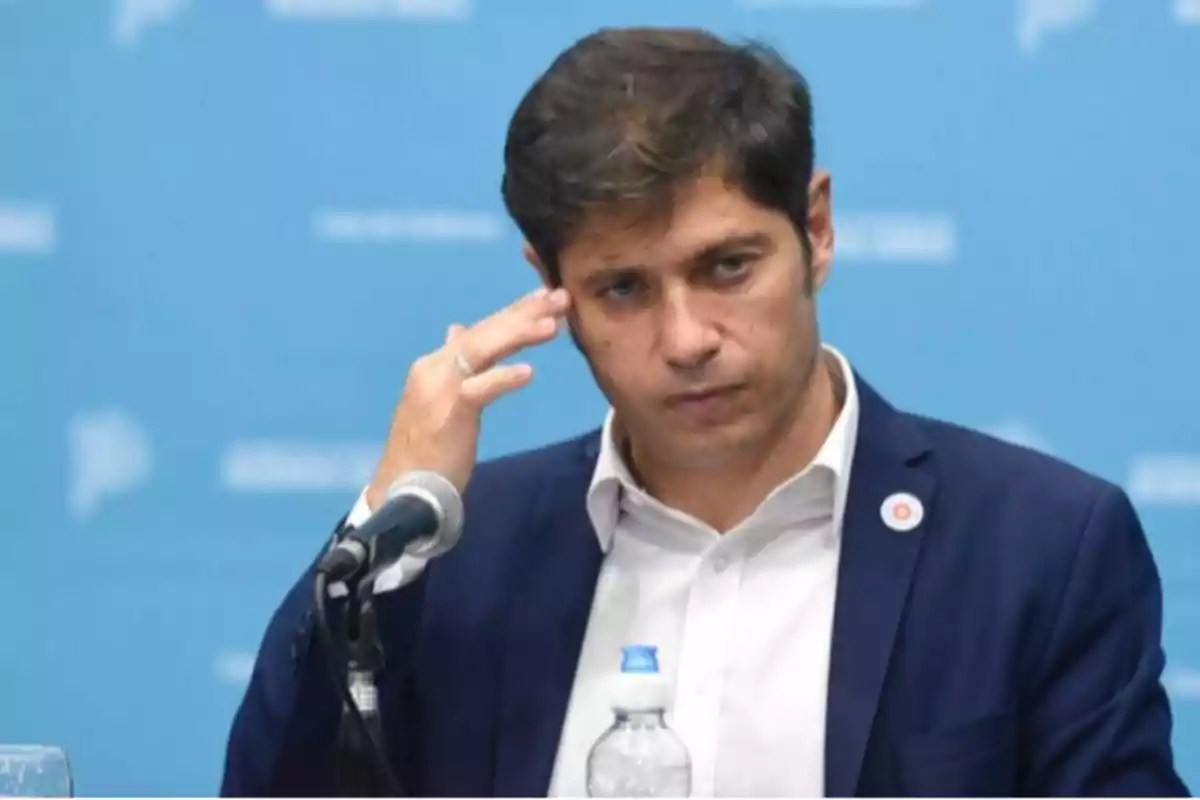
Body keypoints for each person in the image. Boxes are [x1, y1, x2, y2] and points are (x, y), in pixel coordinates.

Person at [220, 26, 1188, 797]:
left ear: (815, 229)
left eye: (727, 266)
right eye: (624, 289)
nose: (686, 338)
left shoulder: (1040, 547)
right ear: (550, 288)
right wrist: (393, 516)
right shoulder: (462, 554)